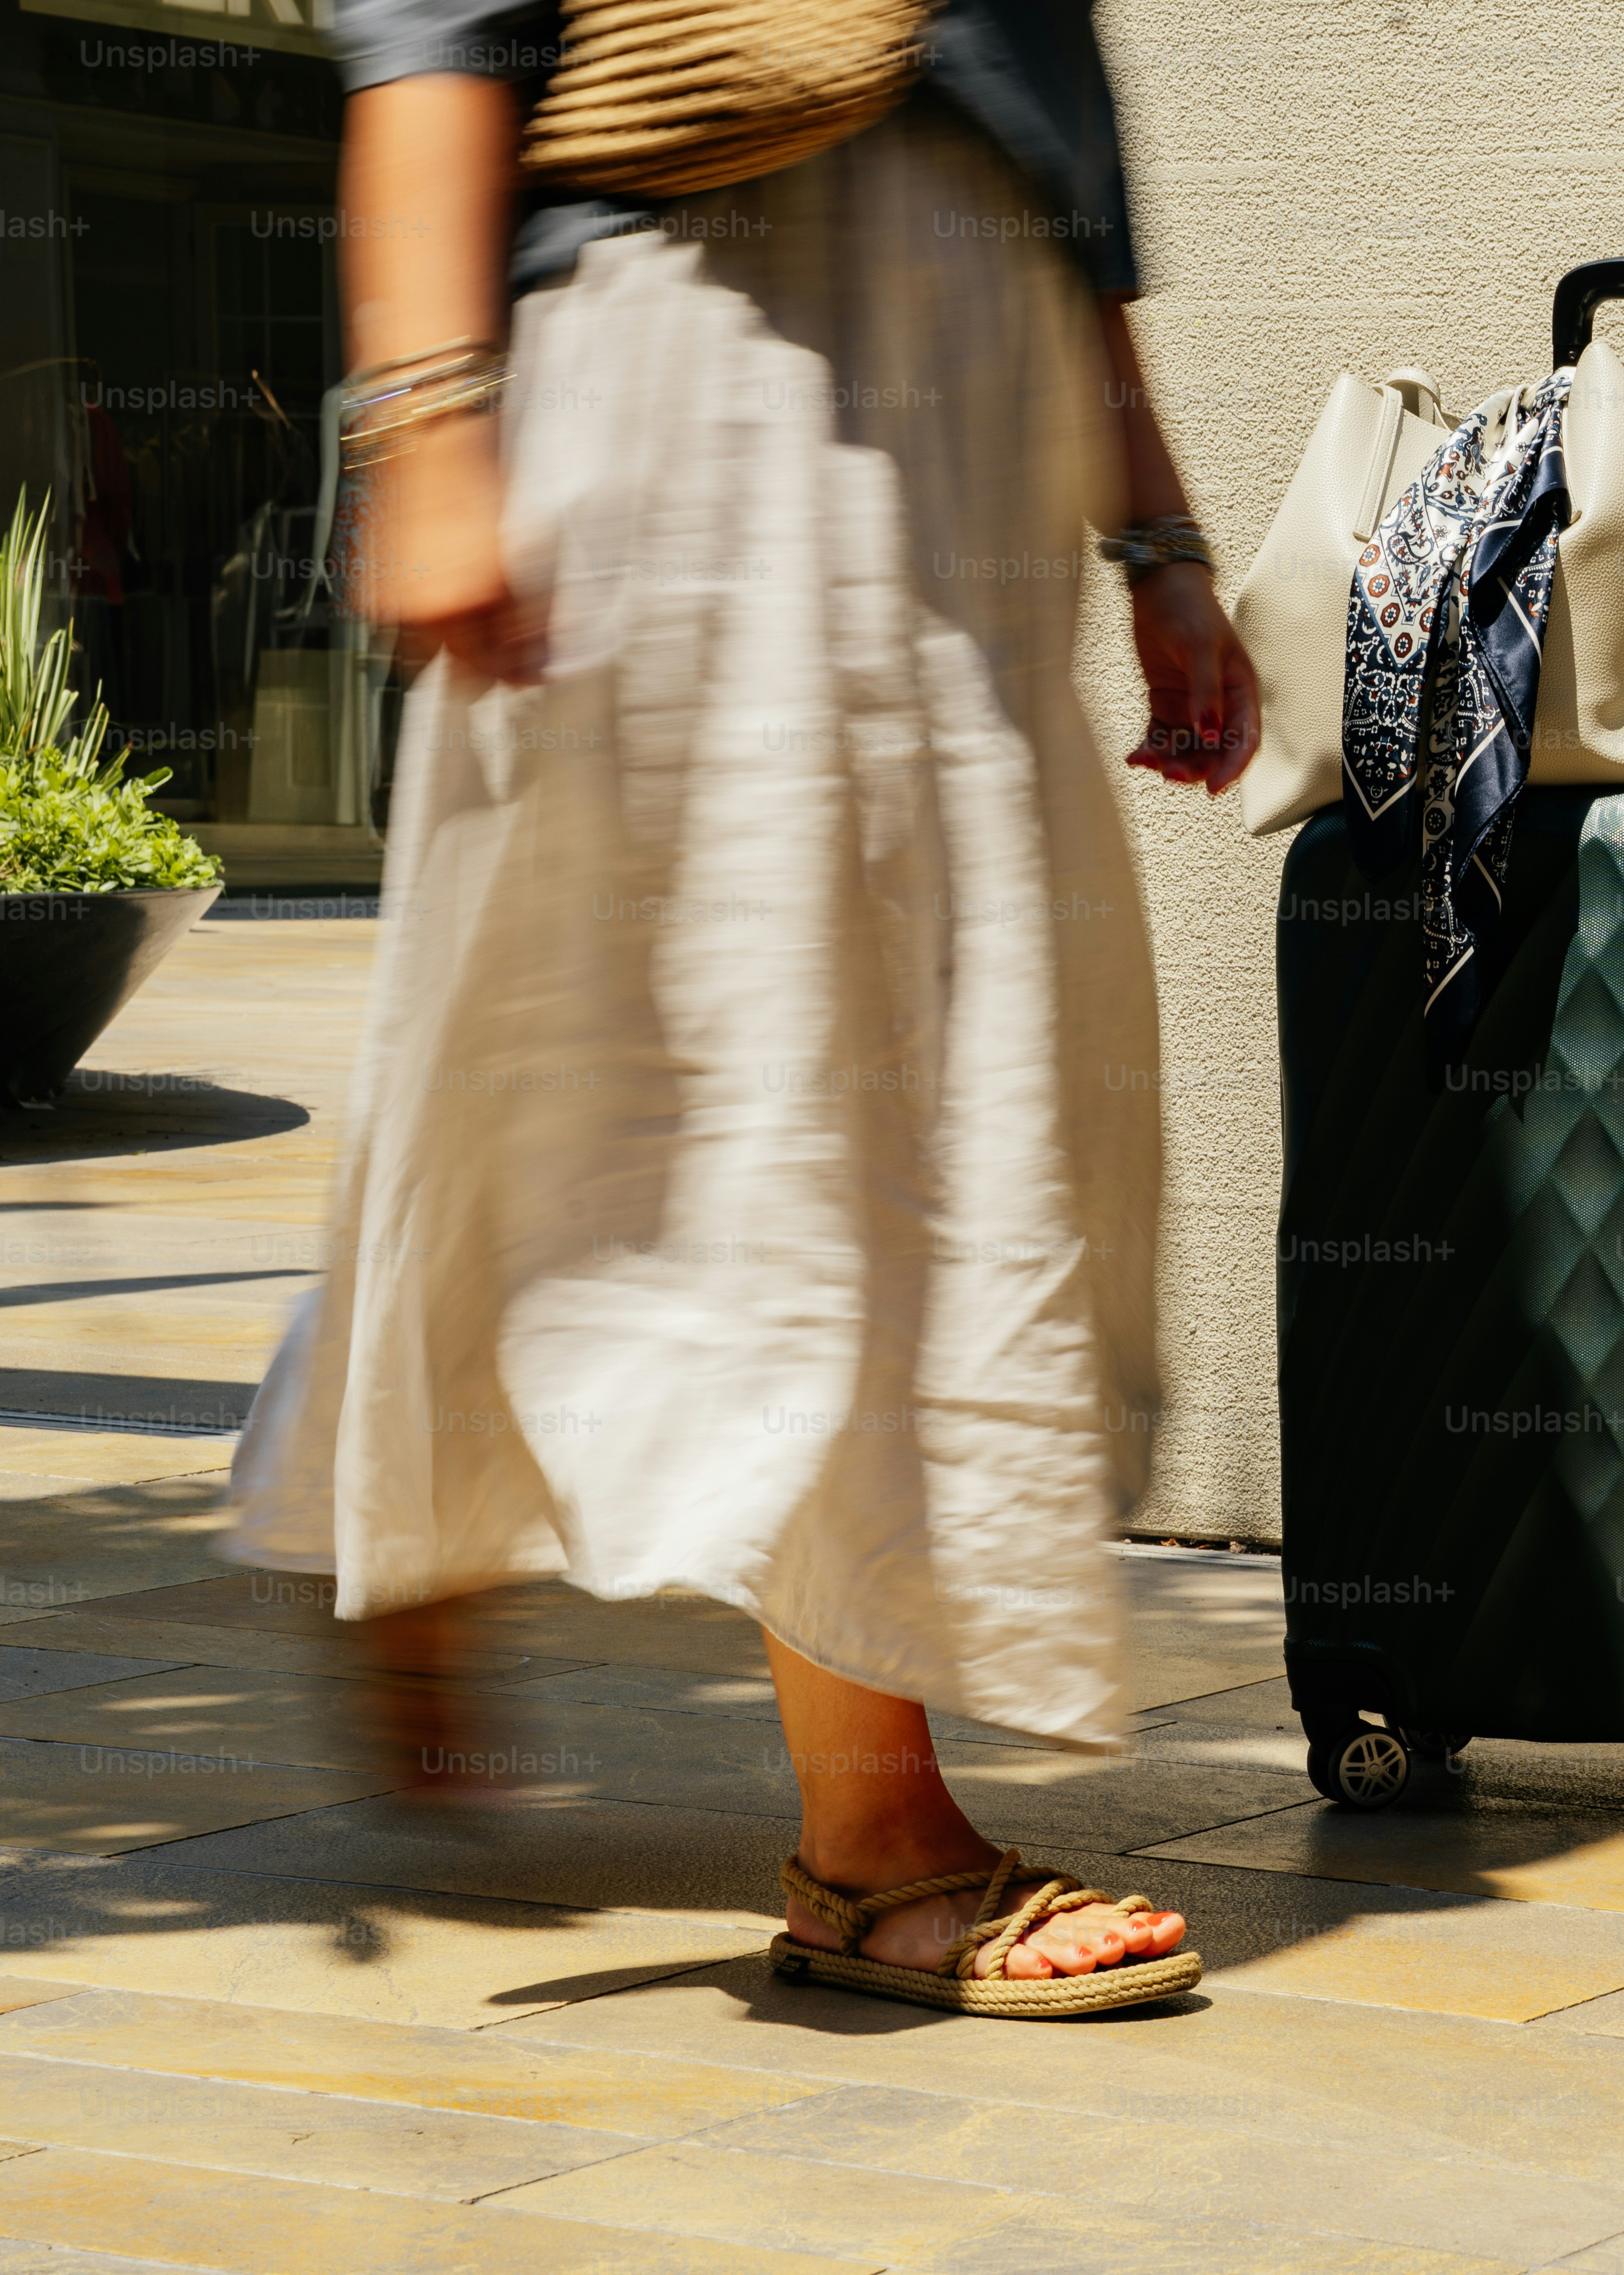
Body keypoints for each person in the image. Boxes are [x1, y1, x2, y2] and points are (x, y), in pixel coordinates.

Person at [223, 0, 1257, 2017]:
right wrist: (423, 423)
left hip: (967, 405)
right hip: (713, 351)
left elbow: (1043, 128)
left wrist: (1155, 532)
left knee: (729, 1049)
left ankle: (415, 1490)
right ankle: (874, 1841)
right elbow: (437, 23)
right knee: (805, 1062)